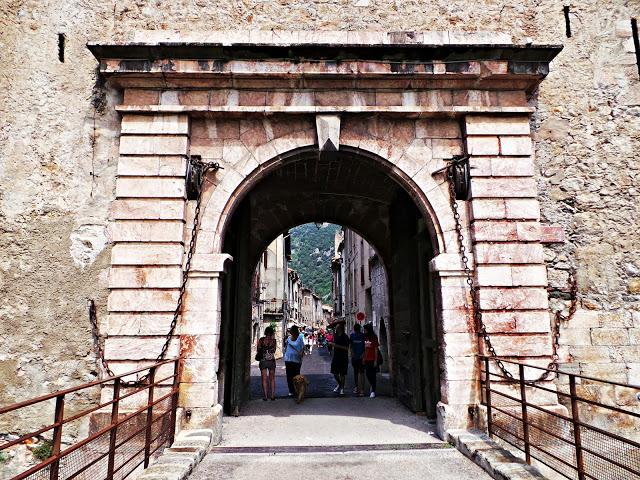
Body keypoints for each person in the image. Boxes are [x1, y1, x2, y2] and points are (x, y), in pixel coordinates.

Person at [256, 326, 277, 401]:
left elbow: (258, 349)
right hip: (271, 361)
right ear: (271, 333)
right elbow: (274, 351)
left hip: (263, 361)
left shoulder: (261, 340)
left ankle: (265, 396)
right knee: (272, 379)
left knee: (264, 379)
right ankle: (272, 396)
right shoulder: (274, 341)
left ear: (265, 332)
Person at [284, 326, 305, 397]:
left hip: (296, 360)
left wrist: (301, 354)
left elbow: (303, 347)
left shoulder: (300, 338)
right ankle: (291, 390)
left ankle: (297, 389)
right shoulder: (288, 339)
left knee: (296, 376)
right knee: (289, 376)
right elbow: (286, 348)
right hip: (288, 359)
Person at [330, 323, 349, 396]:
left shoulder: (345, 337)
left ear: (340, 328)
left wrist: (336, 345)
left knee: (342, 374)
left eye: (337, 327)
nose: (335, 329)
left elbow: (347, 348)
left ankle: (342, 388)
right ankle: (340, 384)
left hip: (343, 357)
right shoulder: (336, 336)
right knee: (334, 373)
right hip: (336, 356)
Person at [363, 323, 380, 398]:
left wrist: (376, 360)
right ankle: (372, 385)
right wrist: (363, 358)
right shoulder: (365, 338)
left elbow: (376, 349)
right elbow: (364, 349)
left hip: (372, 359)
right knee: (367, 374)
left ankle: (373, 391)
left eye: (365, 330)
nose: (364, 331)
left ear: (368, 330)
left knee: (373, 375)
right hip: (366, 359)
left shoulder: (374, 337)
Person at [349, 323, 365, 396]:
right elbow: (351, 346)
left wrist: (351, 354)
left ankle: (358, 388)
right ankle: (360, 389)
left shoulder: (361, 336)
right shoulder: (361, 335)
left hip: (358, 357)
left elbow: (351, 346)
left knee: (358, 373)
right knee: (360, 373)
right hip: (357, 357)